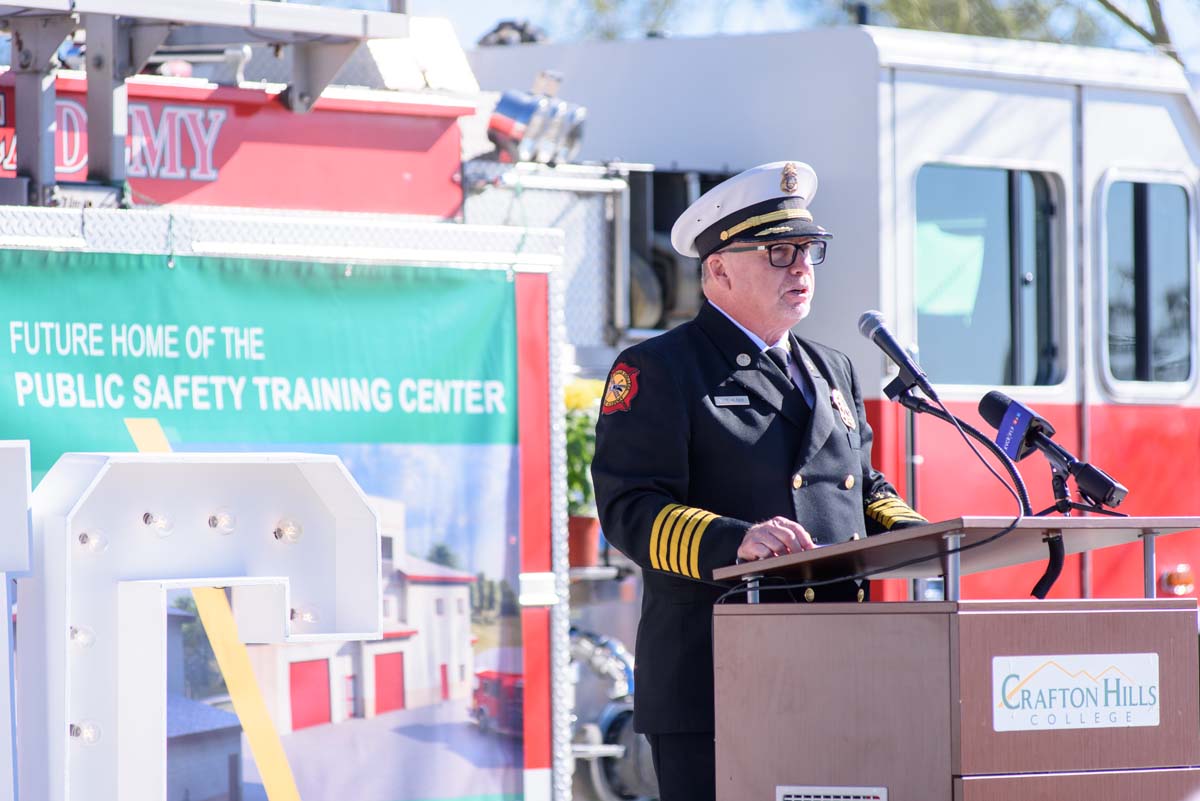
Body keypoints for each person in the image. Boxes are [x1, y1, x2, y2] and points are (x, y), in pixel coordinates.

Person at [590, 161, 926, 801]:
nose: (801, 268)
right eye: (779, 252)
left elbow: (860, 484)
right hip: (715, 679)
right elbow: (629, 509)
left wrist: (927, 535)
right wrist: (737, 542)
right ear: (719, 269)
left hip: (836, 673)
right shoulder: (660, 369)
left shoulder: (832, 367)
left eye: (809, 251)